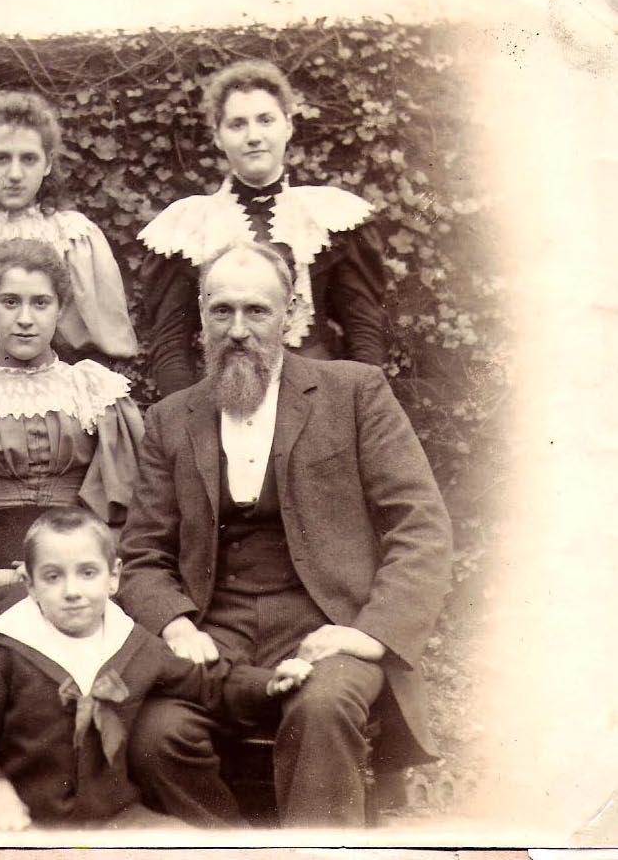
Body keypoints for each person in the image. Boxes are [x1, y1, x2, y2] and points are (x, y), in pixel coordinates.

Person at [117, 241, 452, 827]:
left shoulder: (354, 392)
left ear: (291, 314)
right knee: (155, 734)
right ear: (201, 318)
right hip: (214, 633)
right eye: (222, 311)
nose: (238, 330)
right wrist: (174, 623)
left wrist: (366, 635)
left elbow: (420, 526)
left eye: (257, 311)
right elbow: (142, 552)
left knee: (322, 707)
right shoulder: (172, 418)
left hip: (326, 625)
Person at [0, 506, 313, 831]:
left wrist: (267, 684)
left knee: (191, 845)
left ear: (113, 578)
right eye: (52, 577)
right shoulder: (2, 653)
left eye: (88, 573)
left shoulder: (130, 642)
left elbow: (206, 680)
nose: (72, 591)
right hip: (22, 823)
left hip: (115, 818)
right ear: (28, 584)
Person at [0, 238, 143, 694]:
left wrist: (80, 569)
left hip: (82, 567)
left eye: (41, 303)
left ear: (61, 308)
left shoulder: (96, 392)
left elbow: (133, 516)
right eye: (10, 302)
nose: (24, 318)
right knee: (17, 621)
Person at [138, 59, 387, 397]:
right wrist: (186, 428)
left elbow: (364, 333)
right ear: (217, 136)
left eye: (266, 120)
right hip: (226, 394)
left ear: (288, 125)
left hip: (319, 397)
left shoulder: (329, 217)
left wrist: (360, 411)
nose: (254, 136)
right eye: (237, 124)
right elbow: (170, 347)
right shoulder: (189, 226)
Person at [0, 90, 137, 374]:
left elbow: (99, 354)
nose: (15, 174)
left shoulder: (75, 238)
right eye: (2, 158)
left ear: (47, 164)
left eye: (29, 159)